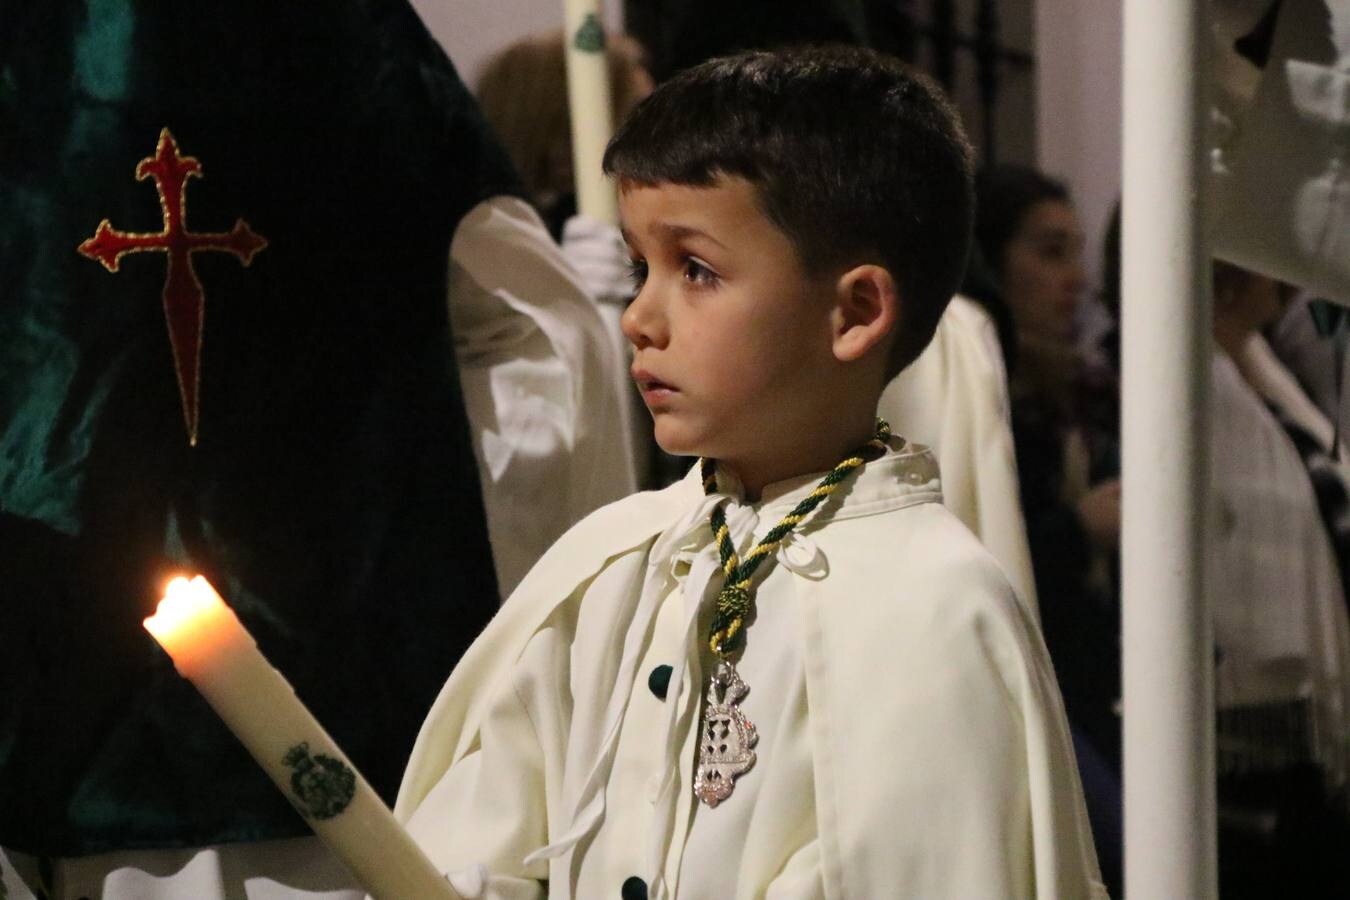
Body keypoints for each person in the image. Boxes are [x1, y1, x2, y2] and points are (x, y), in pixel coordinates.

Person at [395, 46, 1105, 899]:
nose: (638, 318)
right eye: (637, 269)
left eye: (695, 270)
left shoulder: (932, 609)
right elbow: (479, 840)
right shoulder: (606, 569)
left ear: (854, 312)